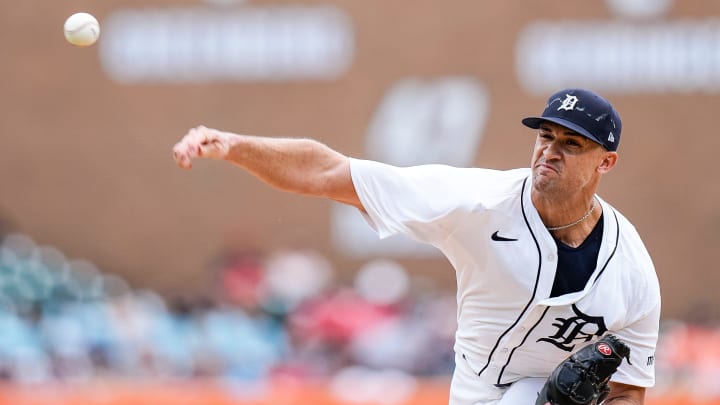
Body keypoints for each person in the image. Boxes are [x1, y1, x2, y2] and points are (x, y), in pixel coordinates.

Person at [172, 88, 660, 405]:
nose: (550, 150)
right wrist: (234, 145)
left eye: (572, 144)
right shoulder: (477, 202)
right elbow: (327, 172)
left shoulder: (631, 269)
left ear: (607, 162)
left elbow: (629, 391)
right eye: (546, 135)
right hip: (476, 396)